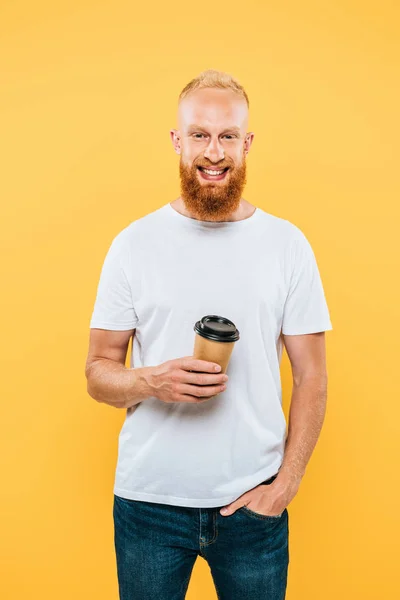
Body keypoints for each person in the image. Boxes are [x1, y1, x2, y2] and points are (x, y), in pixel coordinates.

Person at [85, 69, 333, 600]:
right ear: (178, 141)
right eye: (199, 134)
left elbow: (312, 375)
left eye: (227, 137)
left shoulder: (287, 246)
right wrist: (152, 381)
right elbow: (97, 372)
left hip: (252, 508)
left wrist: (284, 485)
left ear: (247, 144)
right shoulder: (133, 245)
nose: (213, 152)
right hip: (148, 505)